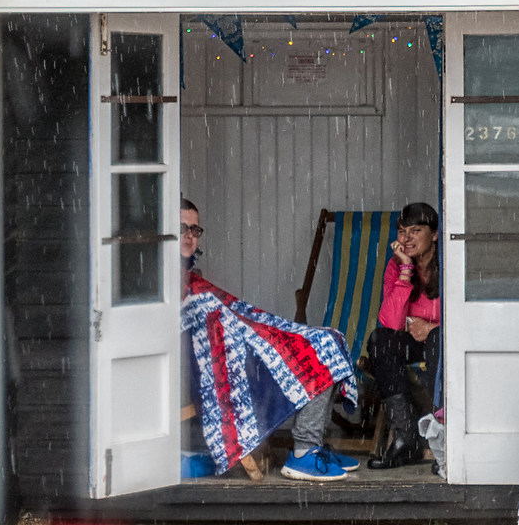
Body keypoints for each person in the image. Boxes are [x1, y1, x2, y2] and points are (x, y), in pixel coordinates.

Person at [180, 200, 362, 483]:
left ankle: (313, 445)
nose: (190, 235)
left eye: (194, 229)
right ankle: (304, 453)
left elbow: (229, 314)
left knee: (330, 339)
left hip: (238, 347)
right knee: (316, 350)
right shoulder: (163, 277)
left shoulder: (189, 276)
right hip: (219, 366)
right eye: (182, 228)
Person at [367, 201, 442, 470]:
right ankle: (405, 437)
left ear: (434, 235)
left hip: (445, 343)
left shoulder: (449, 263)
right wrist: (406, 270)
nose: (406, 238)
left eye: (416, 230)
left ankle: (443, 439)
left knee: (437, 341)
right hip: (414, 342)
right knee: (380, 341)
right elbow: (390, 322)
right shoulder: (396, 266)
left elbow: (466, 316)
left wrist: (433, 329)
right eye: (402, 231)